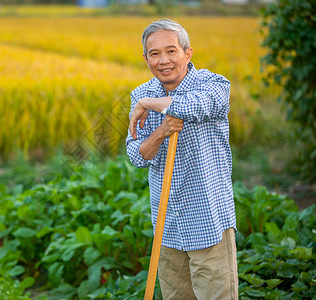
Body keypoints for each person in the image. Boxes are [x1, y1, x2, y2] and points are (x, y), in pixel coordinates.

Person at [126, 19, 238, 299]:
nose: (163, 61)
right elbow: (137, 155)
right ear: (145, 58)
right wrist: (161, 131)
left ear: (187, 53)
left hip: (208, 221)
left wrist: (150, 106)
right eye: (154, 54)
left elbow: (192, 105)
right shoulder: (140, 93)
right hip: (167, 223)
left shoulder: (213, 84)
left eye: (171, 51)